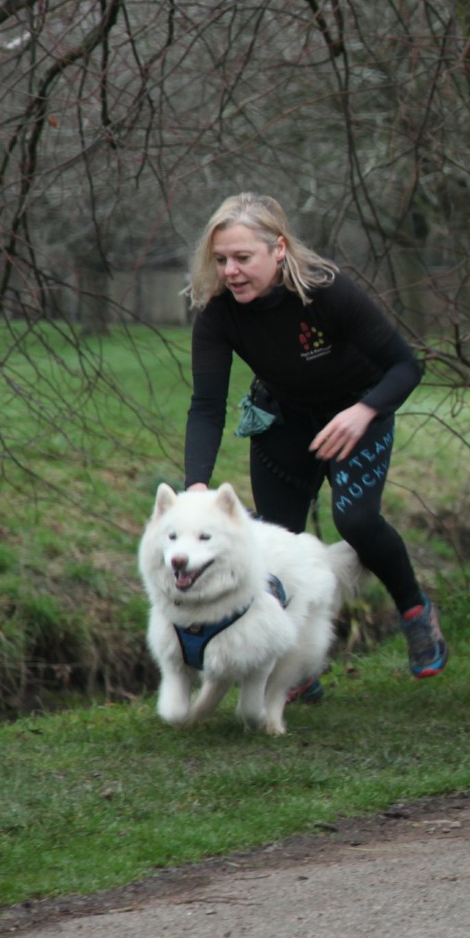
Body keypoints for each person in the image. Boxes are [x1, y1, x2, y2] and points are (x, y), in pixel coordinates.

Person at [184, 192, 446, 689]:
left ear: (279, 249)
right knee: (275, 547)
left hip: (356, 412)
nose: (231, 271)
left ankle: (415, 612)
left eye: (243, 257)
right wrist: (195, 485)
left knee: (357, 521)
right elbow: (206, 406)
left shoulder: (326, 291)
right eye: (221, 260)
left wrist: (364, 412)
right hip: (283, 420)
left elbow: (405, 367)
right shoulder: (218, 314)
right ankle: (297, 669)